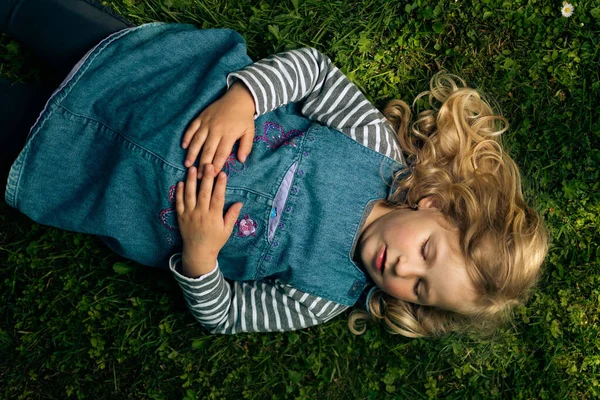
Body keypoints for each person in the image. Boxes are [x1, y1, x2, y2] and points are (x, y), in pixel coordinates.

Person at [1, 0, 548, 337]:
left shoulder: (319, 299)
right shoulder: (375, 146)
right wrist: (244, 100)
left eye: (421, 290)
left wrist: (200, 257)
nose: (403, 271)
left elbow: (226, 315)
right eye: (426, 252)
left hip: (95, 176)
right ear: (435, 206)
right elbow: (313, 72)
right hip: (154, 79)